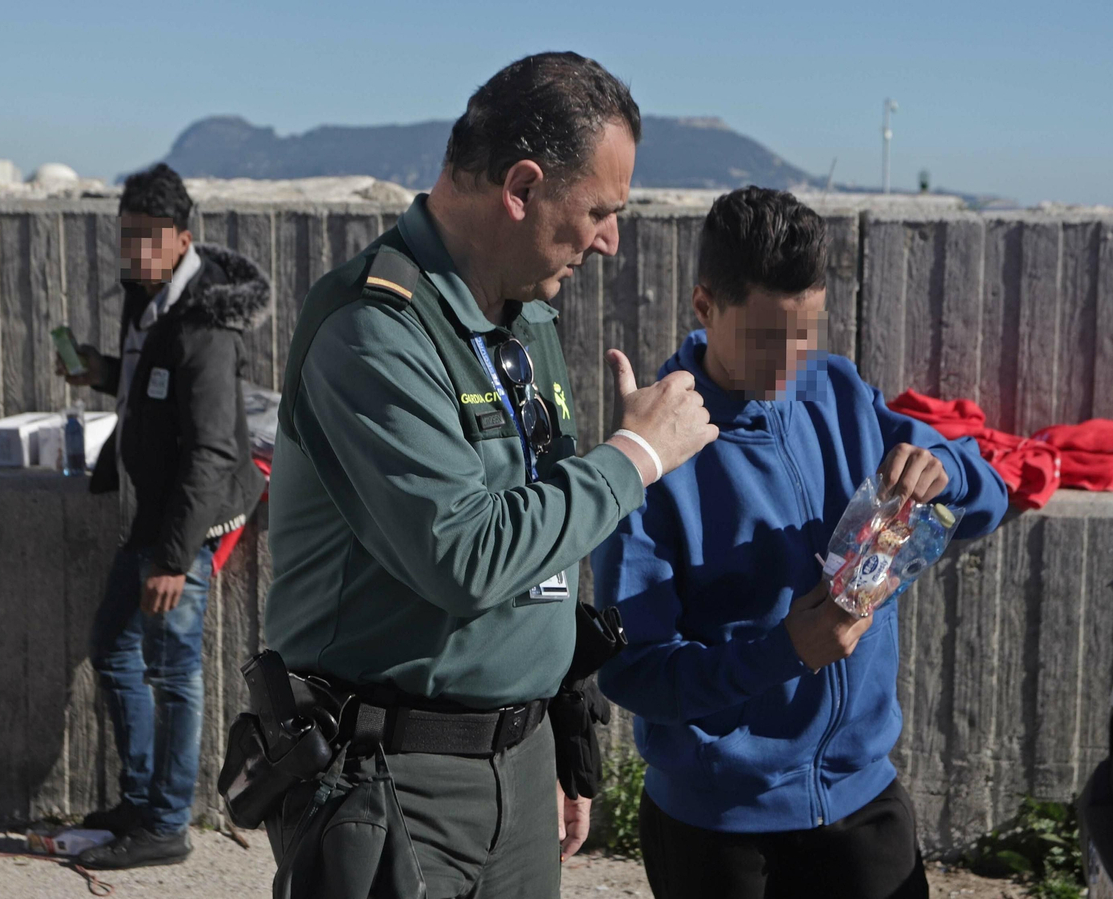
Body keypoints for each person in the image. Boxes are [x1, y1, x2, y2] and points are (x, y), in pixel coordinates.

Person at [259, 52, 716, 899]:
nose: (612, 240)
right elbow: (465, 555)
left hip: (514, 759)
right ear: (521, 187)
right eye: (599, 211)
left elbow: (537, 539)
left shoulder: (523, 316)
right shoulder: (373, 329)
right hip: (394, 778)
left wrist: (553, 716)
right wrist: (635, 458)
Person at [591, 187, 1011, 899]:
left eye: (805, 333)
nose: (790, 364)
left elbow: (988, 497)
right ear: (704, 305)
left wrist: (950, 473)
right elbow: (633, 674)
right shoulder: (655, 452)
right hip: (717, 830)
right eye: (765, 338)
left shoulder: (837, 391)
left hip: (861, 799)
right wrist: (785, 650)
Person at [57, 162, 270, 869]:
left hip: (187, 527)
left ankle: (168, 822)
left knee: (174, 672)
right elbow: (153, 384)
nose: (135, 253)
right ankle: (143, 800)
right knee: (114, 649)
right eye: (126, 238)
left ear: (182, 240)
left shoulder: (205, 325)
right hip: (154, 517)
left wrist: (176, 558)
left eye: (150, 240)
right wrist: (102, 371)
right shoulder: (150, 297)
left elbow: (210, 449)